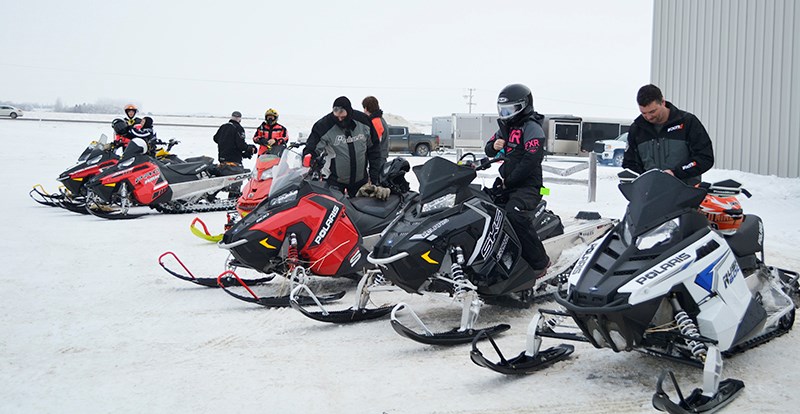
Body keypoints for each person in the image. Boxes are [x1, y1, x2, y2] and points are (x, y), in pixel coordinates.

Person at [484, 84, 550, 276]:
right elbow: (489, 149)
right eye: (502, 110)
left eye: (509, 110)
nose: (505, 114)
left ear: (524, 106)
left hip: (528, 187)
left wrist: (511, 180)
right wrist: (494, 145)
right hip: (507, 184)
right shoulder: (505, 128)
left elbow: (532, 158)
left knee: (513, 214)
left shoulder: (532, 128)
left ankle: (540, 263)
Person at [622, 84, 714, 185]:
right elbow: (629, 164)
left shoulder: (687, 122)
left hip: (686, 192)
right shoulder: (637, 129)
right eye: (644, 113)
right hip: (650, 194)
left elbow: (705, 158)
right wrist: (645, 180)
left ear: (662, 102)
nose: (648, 117)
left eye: (652, 111)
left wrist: (676, 173)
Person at [303, 96, 382, 197]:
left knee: (360, 210)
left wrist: (374, 176)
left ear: (349, 112)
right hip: (335, 181)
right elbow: (311, 148)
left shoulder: (363, 121)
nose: (340, 119)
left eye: (343, 116)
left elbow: (374, 149)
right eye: (337, 116)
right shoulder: (324, 126)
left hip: (360, 181)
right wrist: (310, 159)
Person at [213, 111, 257, 198]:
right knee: (237, 177)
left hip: (222, 158)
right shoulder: (238, 128)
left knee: (223, 176)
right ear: (240, 119)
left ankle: (214, 194)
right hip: (234, 160)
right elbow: (241, 145)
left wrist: (225, 144)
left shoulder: (223, 127)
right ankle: (234, 196)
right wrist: (250, 148)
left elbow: (215, 138)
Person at [362, 96, 389, 166]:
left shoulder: (375, 122)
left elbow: (375, 142)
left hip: (377, 158)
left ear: (366, 108)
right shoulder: (379, 120)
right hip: (380, 156)